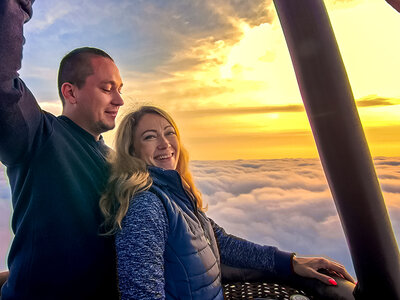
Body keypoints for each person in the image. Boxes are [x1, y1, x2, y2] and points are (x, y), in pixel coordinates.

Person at [100, 106, 355, 300]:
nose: (165, 144)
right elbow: (142, 294)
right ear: (132, 151)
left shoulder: (176, 195)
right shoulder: (146, 206)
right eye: (150, 137)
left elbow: (222, 242)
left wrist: (290, 262)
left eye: (169, 133)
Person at [0, 1, 124, 299]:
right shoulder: (38, 137)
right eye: (107, 88)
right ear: (70, 92)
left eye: (120, 88)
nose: (119, 100)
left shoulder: (115, 161)